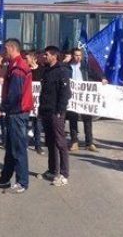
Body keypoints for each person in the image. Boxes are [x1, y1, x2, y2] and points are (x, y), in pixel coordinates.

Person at [0, 39, 34, 194]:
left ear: (12, 48)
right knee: (11, 148)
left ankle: (22, 182)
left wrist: (1, 109)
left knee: (18, 149)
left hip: (17, 113)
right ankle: (5, 179)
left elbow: (15, 94)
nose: (4, 52)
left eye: (5, 49)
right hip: (15, 113)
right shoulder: (14, 65)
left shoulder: (18, 67)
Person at [38, 46, 71, 187]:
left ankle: (64, 174)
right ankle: (52, 170)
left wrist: (60, 110)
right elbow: (43, 93)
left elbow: (65, 93)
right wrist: (40, 109)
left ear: (54, 56)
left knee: (60, 142)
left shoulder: (62, 71)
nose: (44, 57)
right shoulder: (47, 71)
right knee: (50, 142)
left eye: (46, 54)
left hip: (56, 112)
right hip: (46, 110)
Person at [67, 48, 105, 152]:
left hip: (84, 97)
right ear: (72, 56)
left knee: (87, 120)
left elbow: (94, 73)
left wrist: (102, 78)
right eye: (75, 55)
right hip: (72, 97)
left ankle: (89, 143)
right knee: (73, 120)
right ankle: (74, 141)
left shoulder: (85, 66)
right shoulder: (67, 67)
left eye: (79, 55)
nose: (78, 57)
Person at [25, 51, 44, 155]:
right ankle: (25, 144)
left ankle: (38, 146)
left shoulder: (42, 70)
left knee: (37, 124)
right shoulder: (25, 70)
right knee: (25, 124)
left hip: (37, 102)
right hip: (27, 101)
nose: (25, 60)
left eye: (27, 58)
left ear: (34, 59)